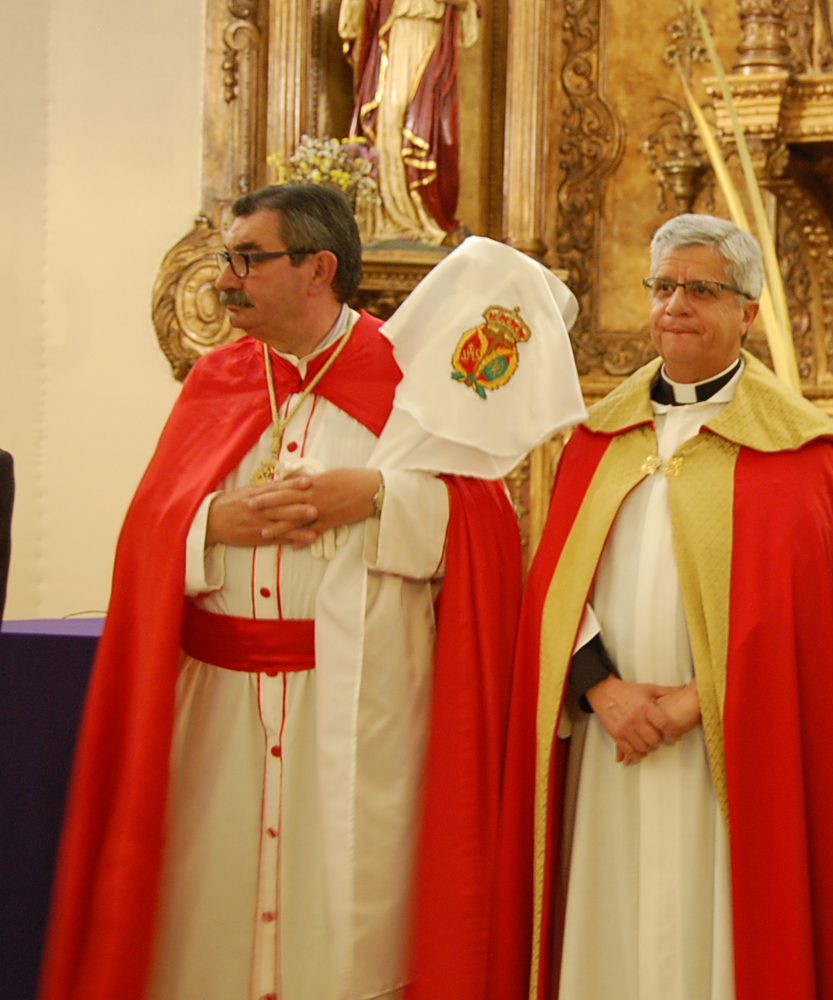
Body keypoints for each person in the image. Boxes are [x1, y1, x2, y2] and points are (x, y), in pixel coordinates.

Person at [39, 183, 584, 1000]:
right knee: (209, 923)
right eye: (229, 258)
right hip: (219, 715)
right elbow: (150, 531)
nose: (225, 279)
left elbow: (485, 530)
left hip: (363, 710)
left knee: (349, 934)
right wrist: (209, 523)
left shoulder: (407, 382)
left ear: (318, 268)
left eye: (248, 259)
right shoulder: (215, 382)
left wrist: (373, 495)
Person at [500, 214, 833, 1000]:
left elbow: (798, 633)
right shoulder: (599, 438)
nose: (675, 305)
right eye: (663, 286)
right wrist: (603, 690)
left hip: (727, 753)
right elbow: (558, 590)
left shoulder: (796, 453)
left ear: (748, 311)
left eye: (700, 289)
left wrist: (688, 705)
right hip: (613, 742)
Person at [340, 0, 480, 242]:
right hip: (392, 37)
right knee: (389, 119)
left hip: (429, 38)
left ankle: (422, 214)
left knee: (420, 123)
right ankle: (385, 213)